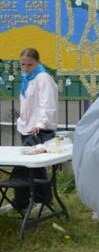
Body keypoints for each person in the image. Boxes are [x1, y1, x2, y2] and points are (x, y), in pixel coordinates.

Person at [12, 48, 59, 212]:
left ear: (37, 62)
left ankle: (29, 202)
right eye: (22, 64)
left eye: (29, 64)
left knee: (29, 167)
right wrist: (21, 121)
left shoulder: (43, 78)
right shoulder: (28, 78)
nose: (25, 68)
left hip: (39, 129)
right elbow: (26, 105)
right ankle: (38, 201)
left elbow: (47, 103)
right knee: (33, 168)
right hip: (27, 128)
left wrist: (40, 124)